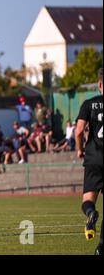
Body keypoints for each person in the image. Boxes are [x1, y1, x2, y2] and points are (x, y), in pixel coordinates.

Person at [75, 68, 103, 256]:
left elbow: (78, 131)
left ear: (100, 85)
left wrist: (80, 149)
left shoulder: (88, 104)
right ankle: (101, 248)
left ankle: (91, 213)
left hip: (94, 159)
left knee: (87, 200)